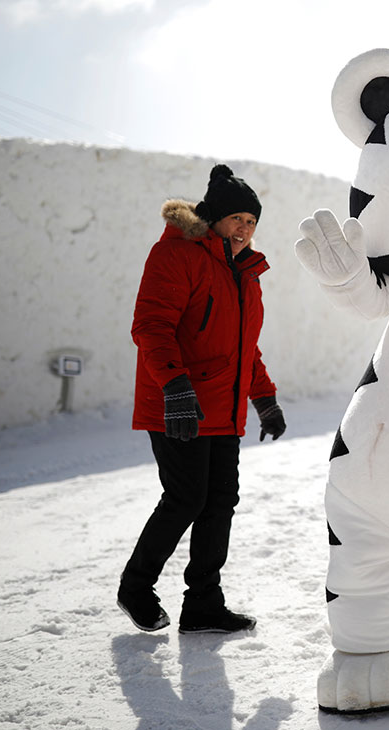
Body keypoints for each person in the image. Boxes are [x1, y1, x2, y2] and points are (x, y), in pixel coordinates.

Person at [117, 164, 287, 635]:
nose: (245, 229)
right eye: (236, 218)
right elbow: (151, 327)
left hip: (223, 409)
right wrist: (175, 389)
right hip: (179, 405)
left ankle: (204, 605)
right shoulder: (176, 255)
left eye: (252, 222)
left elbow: (242, 348)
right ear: (212, 218)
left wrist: (264, 400)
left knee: (219, 502)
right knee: (185, 498)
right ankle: (135, 588)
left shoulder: (245, 274)